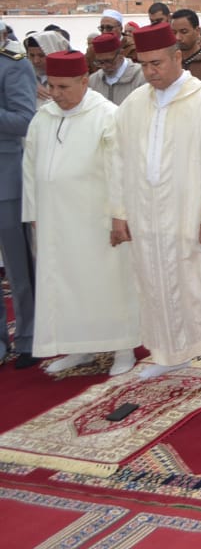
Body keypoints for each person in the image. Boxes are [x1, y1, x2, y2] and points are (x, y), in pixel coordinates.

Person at [111, 21, 201, 387]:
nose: (150, 72)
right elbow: (117, 162)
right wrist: (119, 213)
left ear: (177, 57)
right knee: (154, 284)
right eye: (144, 64)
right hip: (146, 215)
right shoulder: (133, 104)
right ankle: (167, 354)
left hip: (192, 213)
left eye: (157, 64)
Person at [23, 50, 138, 375]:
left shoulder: (107, 115)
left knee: (110, 283)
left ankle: (123, 347)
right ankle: (78, 347)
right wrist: (33, 212)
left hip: (96, 220)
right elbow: (30, 168)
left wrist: (119, 215)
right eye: (52, 86)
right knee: (65, 284)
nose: (55, 94)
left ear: (84, 81)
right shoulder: (44, 117)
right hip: (56, 222)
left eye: (63, 87)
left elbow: (120, 169)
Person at [0, 40, 37, 368]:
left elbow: (25, 119)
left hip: (6, 177)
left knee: (18, 267)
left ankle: (29, 336)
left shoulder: (12, 64)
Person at [87, 32, 146, 105]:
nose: (105, 66)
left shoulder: (141, 77)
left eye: (109, 61)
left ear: (121, 53)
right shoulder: (93, 81)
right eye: (100, 62)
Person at [24, 30, 72, 106]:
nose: (36, 61)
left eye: (41, 55)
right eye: (32, 55)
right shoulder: (24, 76)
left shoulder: (72, 77)